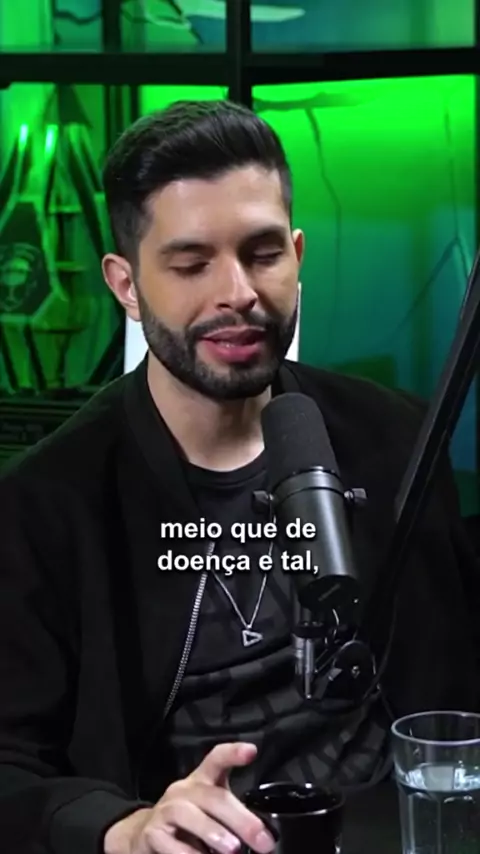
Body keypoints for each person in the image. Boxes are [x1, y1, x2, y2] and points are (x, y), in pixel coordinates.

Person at [0, 100, 478, 854]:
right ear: (126, 285)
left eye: (262, 254)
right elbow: (9, 765)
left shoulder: (396, 438)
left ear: (297, 254)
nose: (238, 293)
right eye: (192, 264)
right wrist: (122, 828)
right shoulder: (45, 504)